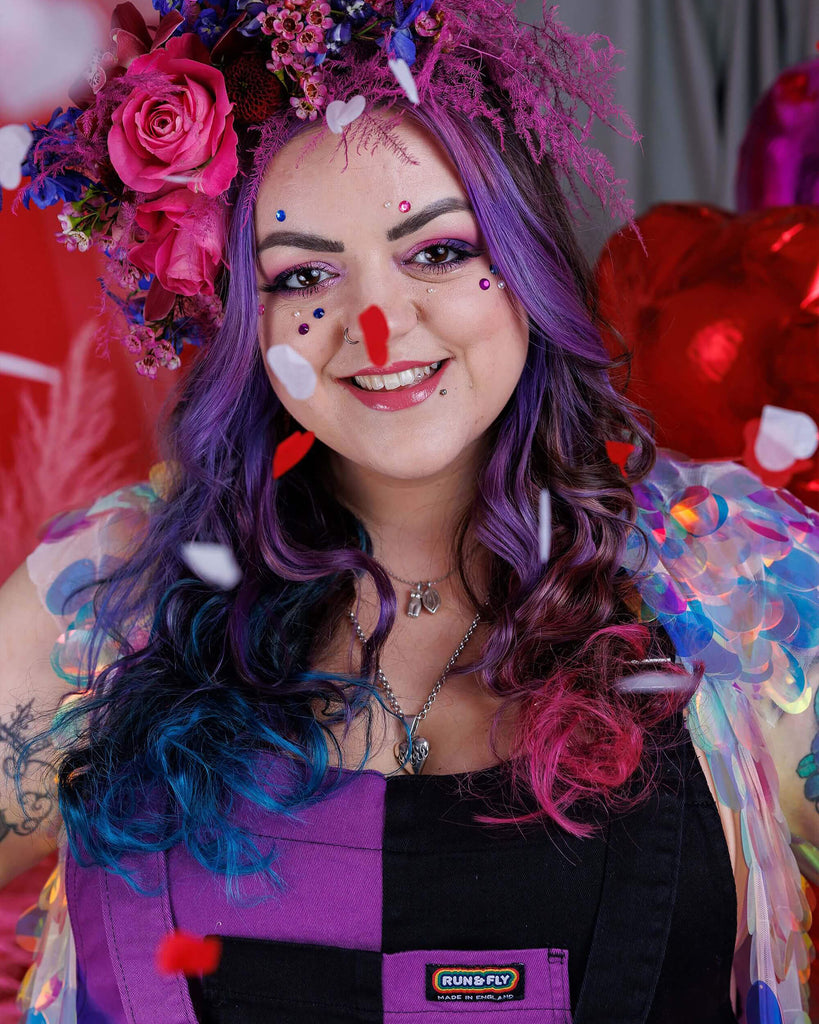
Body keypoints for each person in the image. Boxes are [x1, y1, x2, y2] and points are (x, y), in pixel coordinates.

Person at [1, 2, 818, 1022]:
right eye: (305, 275)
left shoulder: (751, 595)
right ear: (242, 319)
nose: (379, 332)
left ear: (524, 261)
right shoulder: (100, 607)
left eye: (434, 252)